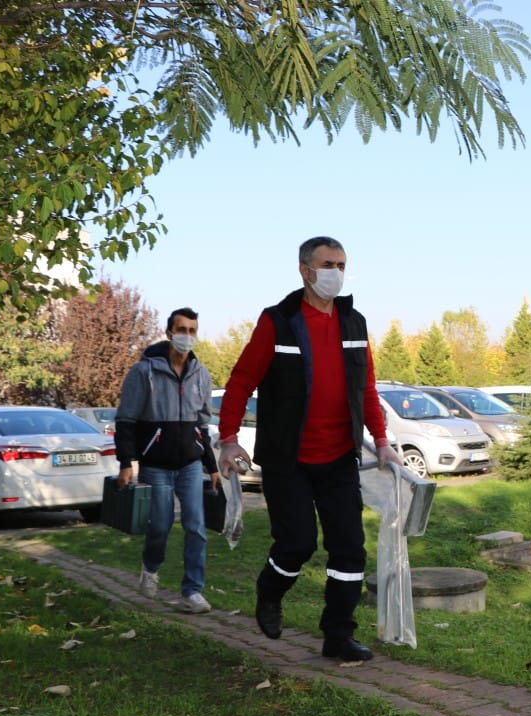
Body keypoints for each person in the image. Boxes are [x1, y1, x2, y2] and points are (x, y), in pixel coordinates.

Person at [216, 236, 399, 663]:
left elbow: (366, 388)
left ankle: (338, 635)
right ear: (305, 270)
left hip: (338, 457)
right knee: (297, 543)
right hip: (288, 458)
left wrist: (384, 441)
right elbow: (241, 381)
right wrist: (228, 439)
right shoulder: (278, 321)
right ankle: (270, 591)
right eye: (328, 264)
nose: (336, 272)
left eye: (341, 264)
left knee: (350, 549)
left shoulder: (354, 322)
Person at [115, 307, 220, 614]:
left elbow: (202, 426)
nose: (187, 336)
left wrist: (211, 466)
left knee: (196, 526)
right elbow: (126, 420)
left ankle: (192, 592)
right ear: (169, 332)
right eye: (182, 329)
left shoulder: (201, 375)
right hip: (156, 465)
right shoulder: (144, 372)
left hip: (188, 464)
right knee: (160, 525)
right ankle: (150, 567)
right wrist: (126, 463)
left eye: (192, 330)